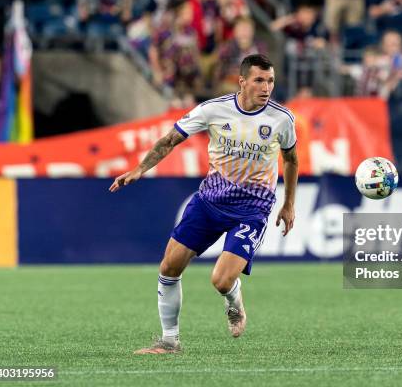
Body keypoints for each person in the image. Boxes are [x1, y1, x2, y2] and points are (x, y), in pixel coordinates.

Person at [109, 54, 299, 354]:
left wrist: (288, 204)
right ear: (242, 82)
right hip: (209, 202)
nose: (267, 87)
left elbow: (290, 160)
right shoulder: (213, 110)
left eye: (271, 80)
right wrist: (139, 169)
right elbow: (170, 140)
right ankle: (169, 342)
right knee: (169, 267)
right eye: (260, 80)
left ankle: (234, 301)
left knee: (221, 281)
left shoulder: (281, 119)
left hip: (251, 211)